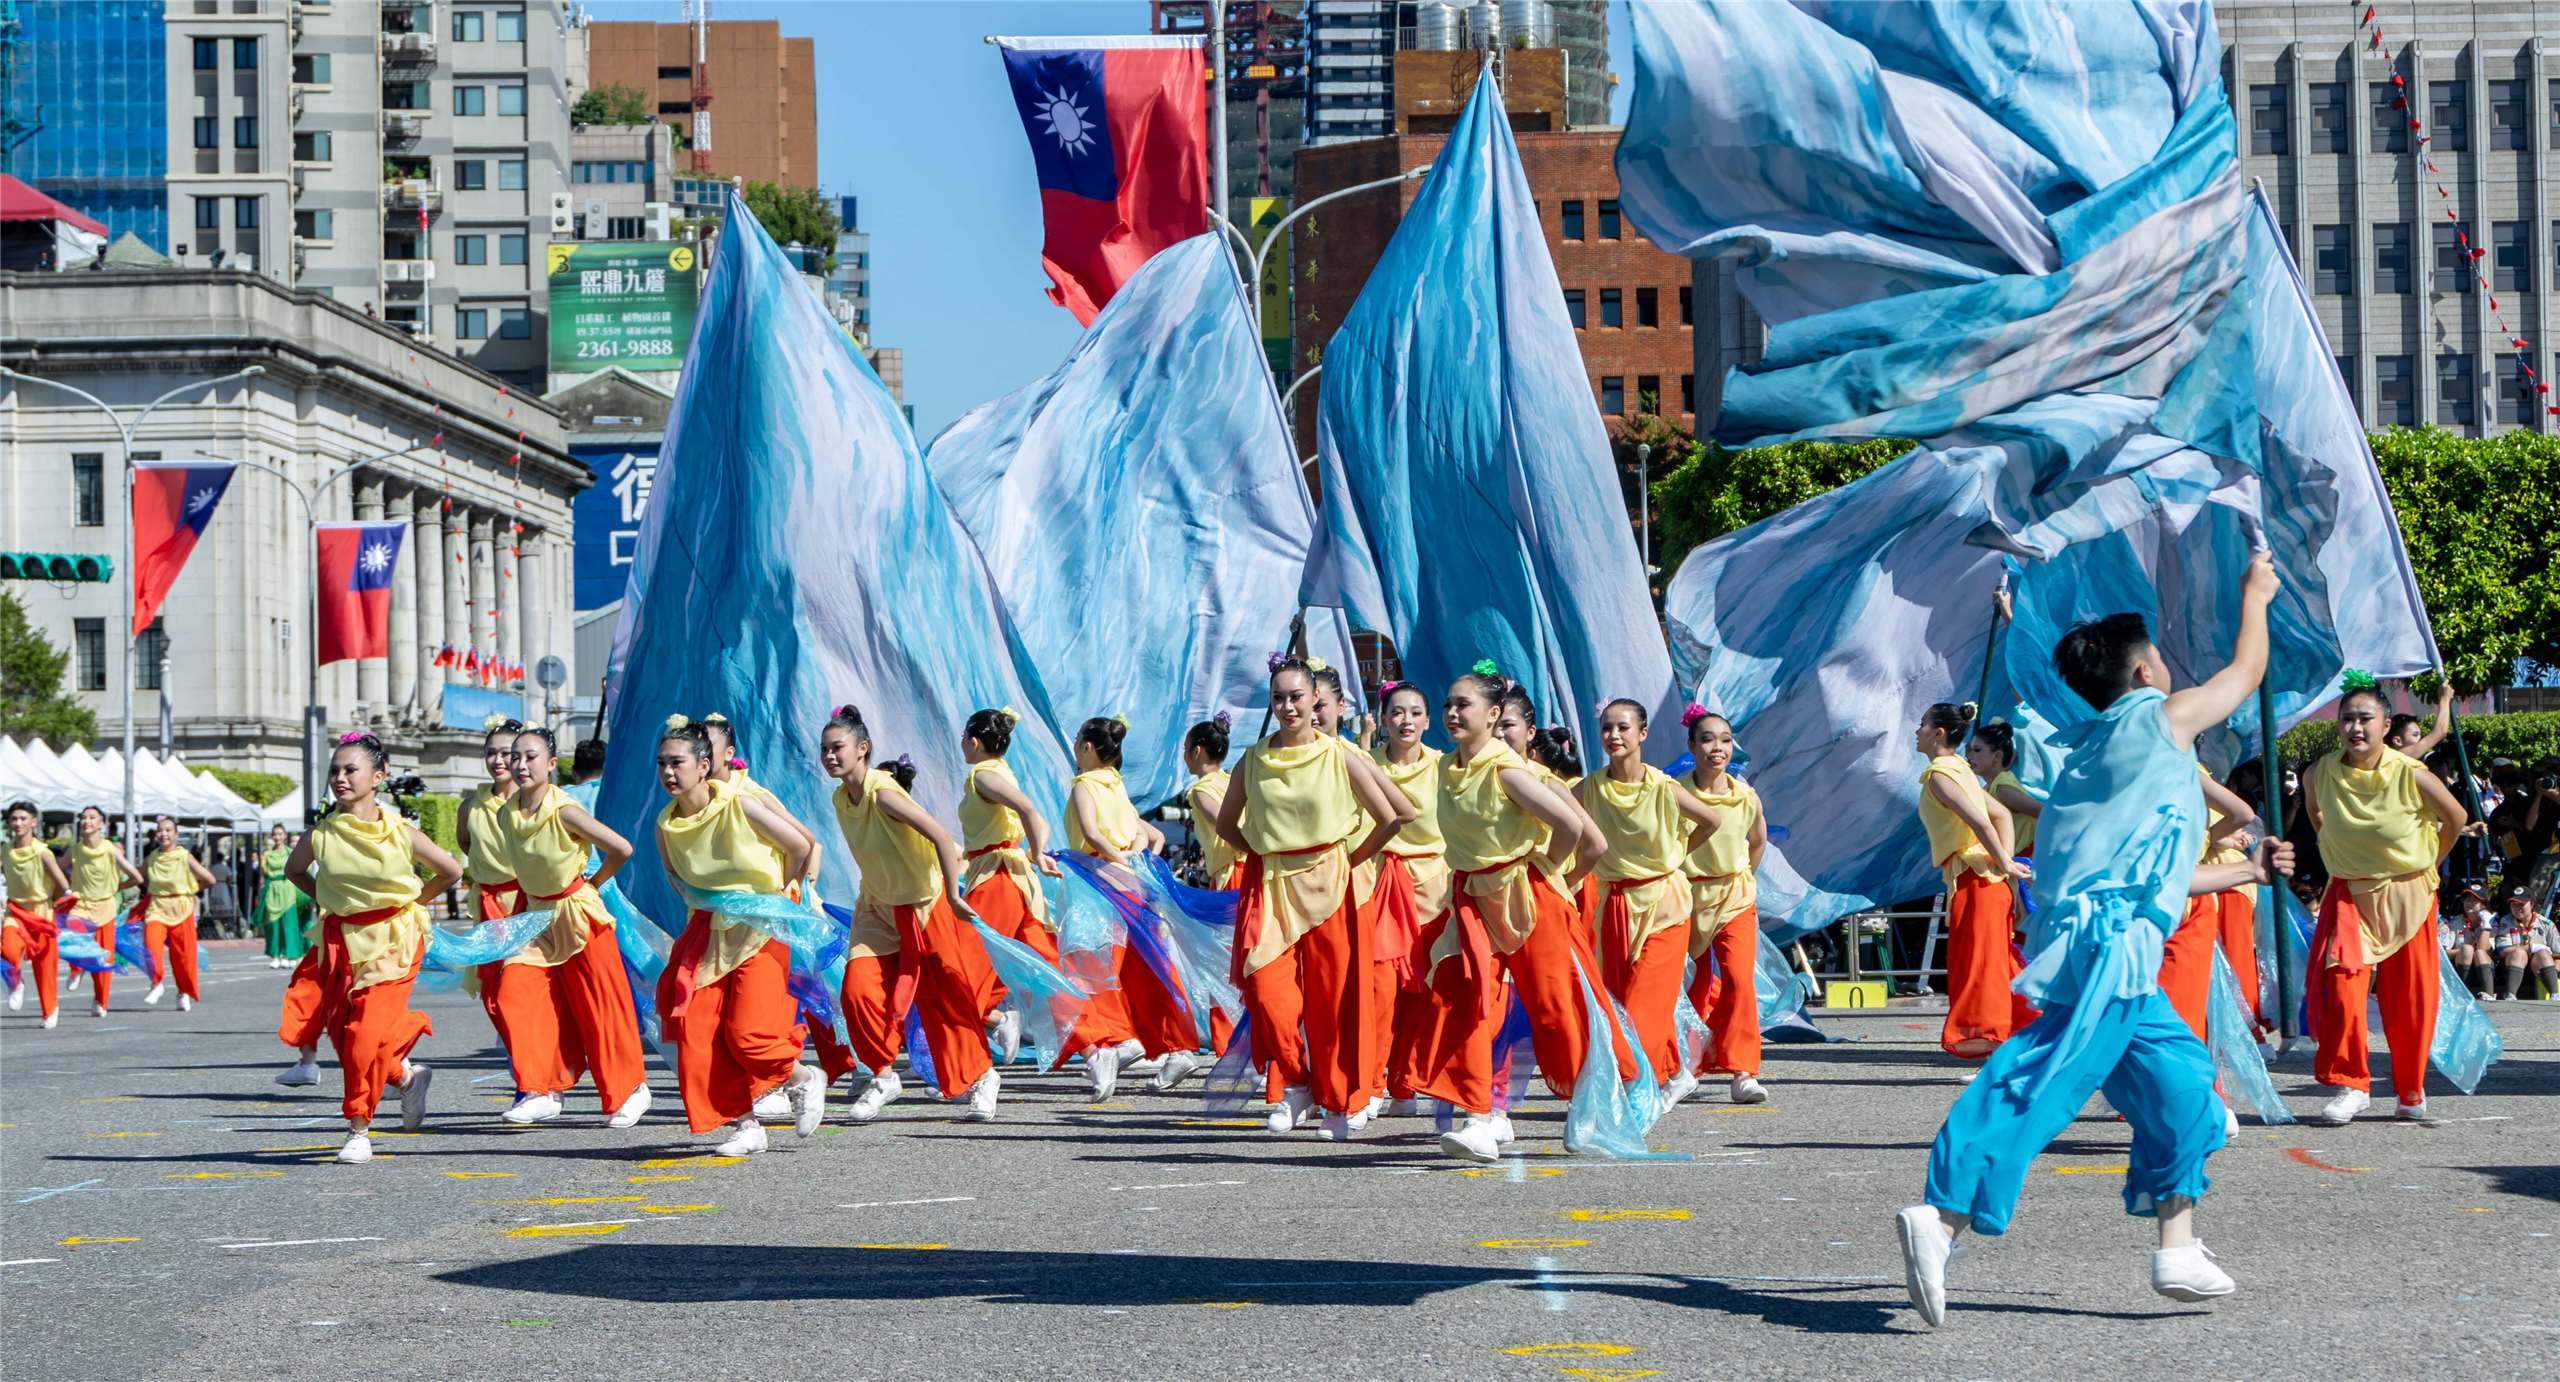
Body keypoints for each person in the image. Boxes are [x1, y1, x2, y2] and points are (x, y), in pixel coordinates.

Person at [1898, 553, 2290, 1325]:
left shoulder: (2094, 756)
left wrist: (2246, 871)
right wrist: (2257, 593)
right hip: (2112, 951)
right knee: (2040, 1081)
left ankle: (2177, 1244)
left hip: (2109, 949)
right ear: (2145, 673)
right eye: (2162, 659)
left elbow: (2154, 879)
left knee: (2186, 1087)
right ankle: (1940, 1218)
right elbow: (2245, 672)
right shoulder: (2156, 721)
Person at [1395, 665, 1628, 1163]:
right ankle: (1479, 1117)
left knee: (1555, 1010)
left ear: (1493, 714)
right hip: (1473, 898)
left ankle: (1594, 1100)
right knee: (1466, 996)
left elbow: (1574, 829)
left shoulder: (1507, 771)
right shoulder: (1445, 767)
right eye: (1448, 705)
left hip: (1526, 897)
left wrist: (1546, 872)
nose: (1452, 713)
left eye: (1464, 705)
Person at [1205, 655, 1412, 1139]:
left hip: (1331, 882)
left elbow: (1392, 818)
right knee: (1266, 993)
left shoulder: (1339, 755)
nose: (1288, 706)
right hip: (1273, 883)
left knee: (1332, 1001)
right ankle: (1298, 1082)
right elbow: (1227, 824)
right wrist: (1260, 853)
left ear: (1315, 698)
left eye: (1296, 696)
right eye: (1278, 698)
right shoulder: (1253, 760)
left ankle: (1337, 1101)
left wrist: (1351, 859)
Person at [2301, 673, 2480, 1124]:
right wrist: (2337, 850)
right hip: (2349, 892)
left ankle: (2410, 1089)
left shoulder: (2411, 773)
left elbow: (2456, 817)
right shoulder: (2319, 772)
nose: (2355, 728)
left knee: (2411, 996)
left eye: (2365, 719)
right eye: (2347, 719)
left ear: (2385, 725)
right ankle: (2352, 1084)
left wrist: (2431, 862)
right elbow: (2316, 814)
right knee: (2342, 984)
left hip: (2409, 892)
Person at [652, 716, 828, 1156]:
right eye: (662, 763)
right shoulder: (666, 824)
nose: (668, 772)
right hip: (708, 931)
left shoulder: (740, 804)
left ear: (704, 765)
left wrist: (775, 898)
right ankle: (745, 1124)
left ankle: (803, 1077)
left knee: (749, 1033)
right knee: (697, 1029)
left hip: (760, 929)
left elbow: (801, 846)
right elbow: (675, 878)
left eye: (677, 763)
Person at [283, 734, 464, 1164]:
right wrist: (331, 899)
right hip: (341, 941)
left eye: (351, 770)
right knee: (345, 1037)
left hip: (394, 941)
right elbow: (295, 871)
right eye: (335, 771)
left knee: (362, 1036)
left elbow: (450, 870)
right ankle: (406, 1079)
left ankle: (358, 1128)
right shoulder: (321, 834)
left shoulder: (401, 832)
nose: (340, 778)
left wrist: (414, 902)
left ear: (378, 777)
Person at [822, 704, 1002, 1124]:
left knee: (946, 999)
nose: (829, 755)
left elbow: (939, 835)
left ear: (863, 749)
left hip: (923, 903)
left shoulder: (883, 793)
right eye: (825, 749)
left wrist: (953, 894)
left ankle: (983, 1076)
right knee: (857, 990)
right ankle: (883, 1076)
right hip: (876, 906)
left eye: (838, 747)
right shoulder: (840, 797)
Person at [954, 706, 1139, 1087]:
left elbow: (1029, 810)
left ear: (972, 741)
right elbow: (1030, 815)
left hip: (998, 880)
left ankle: (979, 1053)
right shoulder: (1001, 771)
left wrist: (1038, 853)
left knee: (962, 971)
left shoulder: (983, 774)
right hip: (1014, 879)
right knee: (1047, 972)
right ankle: (1095, 1051)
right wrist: (1033, 854)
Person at [492, 726, 650, 1128]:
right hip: (536, 916)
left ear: (551, 764)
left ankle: (630, 1088)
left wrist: (593, 884)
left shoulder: (564, 810)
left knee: (601, 1007)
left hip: (578, 914)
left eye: (530, 757)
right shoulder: (506, 813)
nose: (520, 764)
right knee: (515, 992)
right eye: (515, 757)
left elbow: (621, 849)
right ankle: (541, 1089)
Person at [1577, 698, 1722, 1105]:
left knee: (1644, 1004)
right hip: (1615, 905)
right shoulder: (1590, 788)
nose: (1614, 735)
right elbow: (1559, 818)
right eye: (1607, 728)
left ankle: (1636, 1092)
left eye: (1623, 727)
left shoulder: (1662, 787)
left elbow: (1711, 820)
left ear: (1642, 734)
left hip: (1664, 905)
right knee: (1619, 1002)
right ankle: (1674, 1072)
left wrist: (1675, 854)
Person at [1062, 714, 1184, 1095]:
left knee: (1088, 965)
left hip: (1096, 881)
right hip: (1128, 884)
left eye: (1077, 741)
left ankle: (1114, 1041)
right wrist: (1132, 860)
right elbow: (1146, 835)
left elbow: (1091, 833)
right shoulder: (1115, 784)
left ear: (1087, 747)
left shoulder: (1085, 785)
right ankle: (1145, 1042)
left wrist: (1115, 860)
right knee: (1128, 965)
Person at [1914, 702, 2031, 1060]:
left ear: (1939, 733)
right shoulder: (1960, 770)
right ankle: (2037, 1038)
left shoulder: (1941, 774)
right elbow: (2001, 815)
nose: (1917, 731)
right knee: (1998, 965)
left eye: (1922, 724)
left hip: (1976, 880)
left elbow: (1983, 821)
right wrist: (2004, 866)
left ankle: (1994, 1048)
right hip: (1982, 880)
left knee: (1983, 968)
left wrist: (2005, 864)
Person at [1363, 680, 1448, 1114]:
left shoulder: (1444, 767)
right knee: (1380, 986)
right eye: (1397, 712)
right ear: (1383, 719)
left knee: (1423, 990)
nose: (1406, 721)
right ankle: (1371, 1082)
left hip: (1434, 887)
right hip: (1380, 883)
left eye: (1415, 712)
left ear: (1428, 720)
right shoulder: (1366, 763)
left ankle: (1405, 1081)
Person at [1681, 707, 1772, 1105]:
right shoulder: (1674, 793)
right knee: (1693, 986)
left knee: (1738, 979)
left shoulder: (1745, 795)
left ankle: (1744, 1071)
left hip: (1734, 897)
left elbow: (1758, 840)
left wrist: (1744, 876)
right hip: (1686, 898)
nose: (1717, 748)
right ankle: (1687, 1063)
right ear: (1691, 746)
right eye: (1707, 739)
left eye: (1725, 739)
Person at [62, 806, 141, 1015]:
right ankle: (77, 969)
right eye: (83, 817)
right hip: (81, 905)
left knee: (103, 959)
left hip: (105, 909)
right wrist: (68, 885)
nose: (86, 821)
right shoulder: (75, 849)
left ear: (101, 824)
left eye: (92, 817)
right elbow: (58, 869)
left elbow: (137, 877)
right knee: (72, 934)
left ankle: (100, 1001)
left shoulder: (110, 849)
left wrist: (118, 886)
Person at [136, 815, 215, 1010]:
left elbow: (209, 879)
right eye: (160, 830)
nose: (163, 834)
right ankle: (156, 983)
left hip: (181, 909)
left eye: (168, 830)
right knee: (151, 947)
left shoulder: (184, 856)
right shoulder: (152, 858)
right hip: (157, 909)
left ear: (176, 834)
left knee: (183, 957)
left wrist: (191, 889)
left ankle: (183, 991)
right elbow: (139, 877)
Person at [3, 799, 71, 1026]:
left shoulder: (42, 852)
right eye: (14, 819)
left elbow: (62, 883)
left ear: (33, 822)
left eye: (23, 818)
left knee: (45, 967)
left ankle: (50, 1011)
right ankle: (16, 983)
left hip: (42, 914)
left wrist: (61, 901)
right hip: (16, 911)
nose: (18, 823)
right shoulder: (5, 850)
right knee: (8, 951)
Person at [1183, 714, 1243, 890]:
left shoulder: (1200, 791)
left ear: (1196, 751)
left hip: (1232, 872)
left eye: (1185, 748)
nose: (1184, 755)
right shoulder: (1229, 780)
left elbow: (1224, 824)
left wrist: (1250, 850)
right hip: (1246, 866)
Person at [1966, 720, 2043, 858]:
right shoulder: (1989, 788)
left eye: (1976, 750)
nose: (1969, 756)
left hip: (2030, 858)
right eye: (1969, 750)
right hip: (2017, 859)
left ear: (1997, 756)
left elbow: (2044, 812)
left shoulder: (2003, 789)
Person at [255, 824, 313, 970]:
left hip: (288, 890)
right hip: (272, 891)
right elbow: (263, 875)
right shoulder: (267, 855)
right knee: (273, 925)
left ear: (285, 835)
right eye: (275, 834)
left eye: (280, 834)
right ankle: (276, 955)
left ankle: (290, 955)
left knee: (289, 924)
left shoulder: (290, 852)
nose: (277, 837)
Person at [2491, 885, 2557, 1002]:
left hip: (2540, 968)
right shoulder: (2506, 921)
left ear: (2532, 904)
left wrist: (2549, 958)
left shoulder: (2546, 924)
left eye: (2521, 904)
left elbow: (2558, 951)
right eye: (2514, 904)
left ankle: (2555, 995)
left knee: (2543, 954)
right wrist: (2530, 947)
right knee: (2519, 952)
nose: (2517, 908)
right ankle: (2510, 995)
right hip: (2512, 967)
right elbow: (2502, 951)